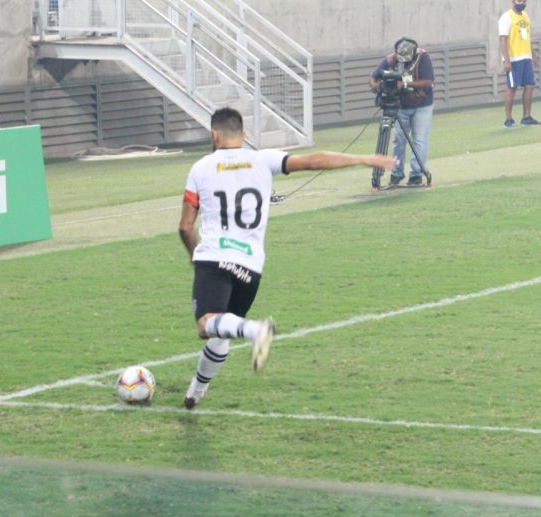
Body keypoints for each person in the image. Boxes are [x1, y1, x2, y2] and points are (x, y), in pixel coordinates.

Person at [178, 107, 395, 409]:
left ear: (214, 135)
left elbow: (185, 226)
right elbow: (313, 160)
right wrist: (362, 159)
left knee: (207, 324)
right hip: (250, 267)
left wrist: (195, 258)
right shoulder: (263, 160)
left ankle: (256, 330)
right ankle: (194, 394)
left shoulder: (201, 168)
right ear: (244, 135)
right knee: (222, 330)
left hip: (214, 258)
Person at [369, 37, 435, 188]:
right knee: (398, 140)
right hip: (400, 105)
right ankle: (396, 173)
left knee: (419, 139)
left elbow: (428, 81)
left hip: (422, 104)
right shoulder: (391, 60)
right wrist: (375, 86)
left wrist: (404, 83)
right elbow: (373, 77)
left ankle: (416, 174)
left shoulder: (423, 58)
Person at [499, 0, 541, 127]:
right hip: (514, 59)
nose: (521, 3)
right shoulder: (506, 17)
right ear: (513, 1)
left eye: (524, 1)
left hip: (526, 57)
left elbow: (527, 38)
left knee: (530, 85)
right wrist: (506, 60)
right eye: (519, 0)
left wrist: (533, 55)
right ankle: (508, 119)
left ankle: (526, 117)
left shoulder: (525, 16)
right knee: (512, 87)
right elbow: (502, 39)